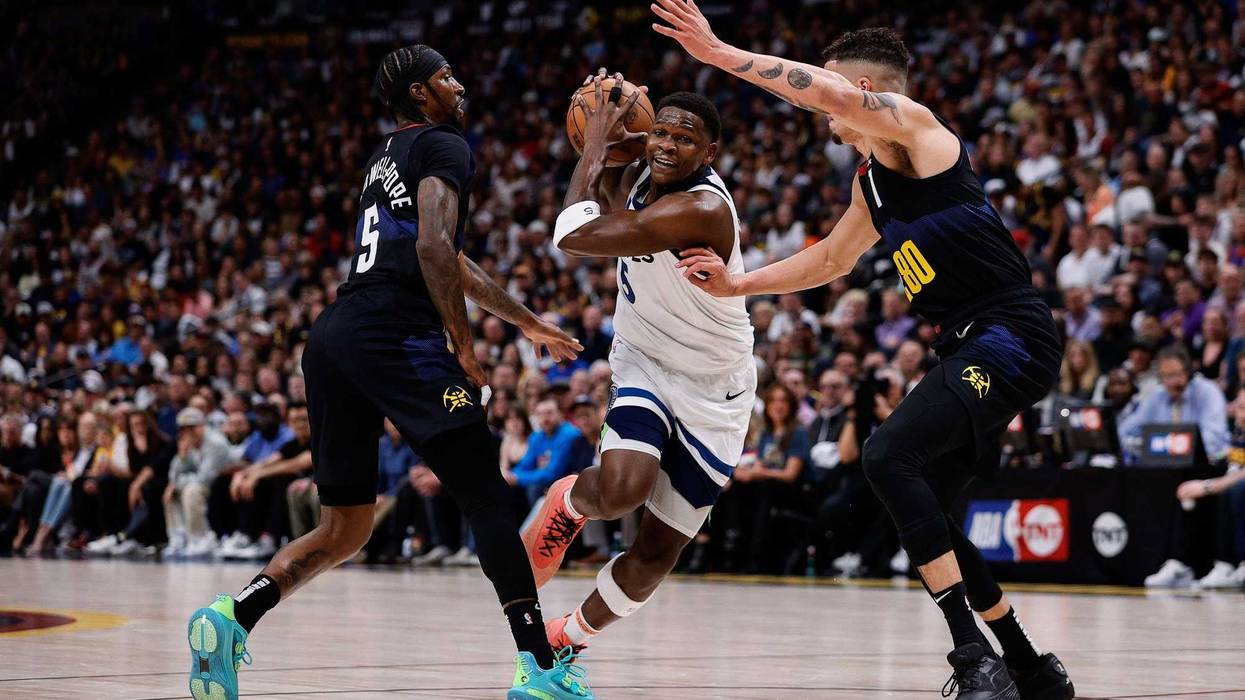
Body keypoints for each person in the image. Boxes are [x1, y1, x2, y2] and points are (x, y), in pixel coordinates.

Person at [654, 5, 1073, 697]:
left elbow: (837, 95)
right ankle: (1029, 666)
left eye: (832, 88)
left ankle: (972, 661)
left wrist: (720, 53)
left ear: (876, 88)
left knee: (884, 454)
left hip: (1010, 334)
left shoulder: (917, 130)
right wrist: (738, 284)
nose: (825, 111)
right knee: (925, 501)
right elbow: (831, 262)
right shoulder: (869, 181)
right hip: (965, 346)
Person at [184, 45, 592, 700]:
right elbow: (435, 245)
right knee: (485, 494)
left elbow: (446, 258)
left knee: (344, 526)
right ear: (419, 95)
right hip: (396, 338)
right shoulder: (444, 144)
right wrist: (462, 342)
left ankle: (233, 617)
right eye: (446, 77)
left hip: (334, 339)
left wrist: (524, 320)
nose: (459, 85)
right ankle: (538, 668)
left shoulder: (384, 160)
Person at [527, 73, 756, 661]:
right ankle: (570, 504)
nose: (665, 145)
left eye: (684, 139)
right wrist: (605, 131)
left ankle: (565, 642)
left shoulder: (700, 208)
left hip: (718, 387)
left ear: (709, 153)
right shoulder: (641, 172)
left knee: (655, 556)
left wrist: (597, 136)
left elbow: (573, 235)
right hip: (646, 360)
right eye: (659, 132)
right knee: (624, 488)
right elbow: (599, 192)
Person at [1117, 346, 1229, 463]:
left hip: (1204, 466)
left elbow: (1214, 440)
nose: (1172, 382)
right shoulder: (1157, 395)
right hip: (1163, 466)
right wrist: (1143, 445)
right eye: (1166, 376)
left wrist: (1168, 446)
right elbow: (1124, 432)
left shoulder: (1208, 392)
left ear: (1188, 372)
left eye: (1176, 374)